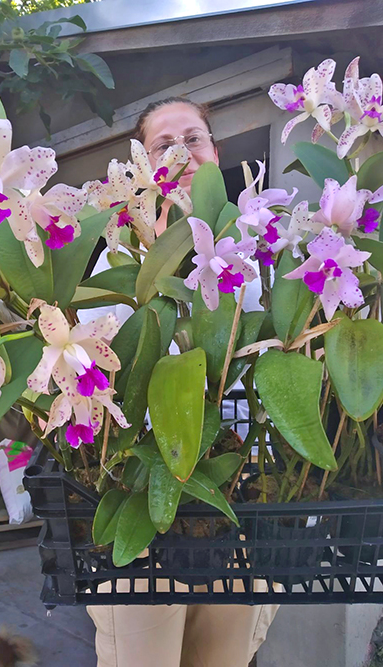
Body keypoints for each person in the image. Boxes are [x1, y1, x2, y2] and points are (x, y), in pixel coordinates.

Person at [84, 97, 279, 667]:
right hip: (140, 493)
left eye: (194, 139)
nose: (180, 153)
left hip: (234, 495)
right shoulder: (117, 265)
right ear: (140, 170)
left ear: (216, 154)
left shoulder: (254, 259)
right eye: (161, 144)